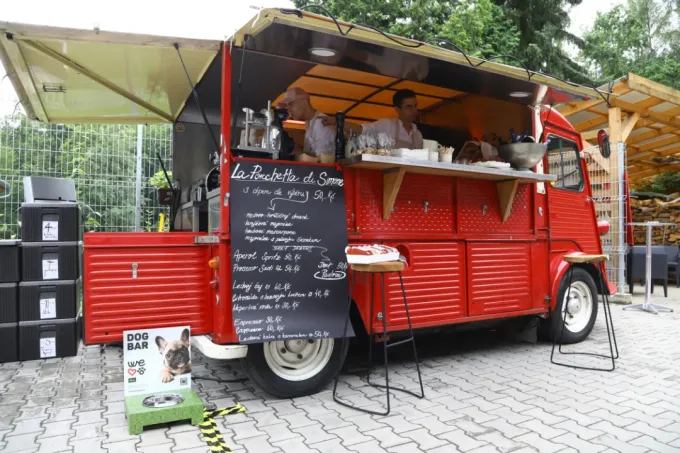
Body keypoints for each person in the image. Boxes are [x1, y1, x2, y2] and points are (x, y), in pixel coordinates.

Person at [323, 89, 424, 149]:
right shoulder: (387, 125)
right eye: (409, 107)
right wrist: (339, 122)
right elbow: (361, 129)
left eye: (415, 106)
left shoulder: (418, 135)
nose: (414, 110)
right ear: (397, 109)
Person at [278, 87, 335, 162]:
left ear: (304, 102)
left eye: (291, 104)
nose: (288, 110)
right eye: (287, 107)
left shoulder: (322, 123)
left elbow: (324, 162)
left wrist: (297, 151)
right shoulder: (310, 123)